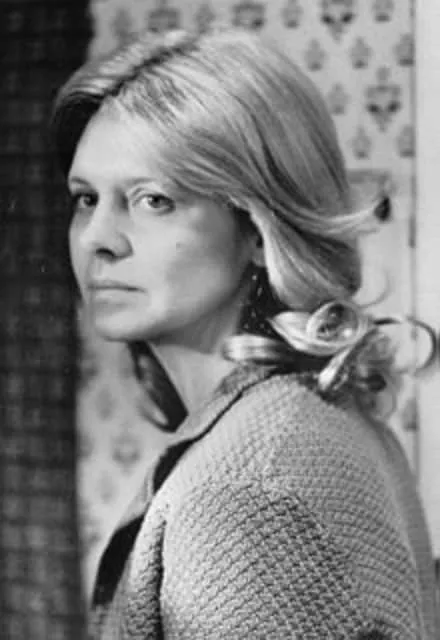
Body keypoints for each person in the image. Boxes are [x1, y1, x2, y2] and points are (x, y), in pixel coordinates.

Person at [51, 27, 439, 639]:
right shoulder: (318, 411)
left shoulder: (248, 491)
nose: (98, 237)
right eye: (85, 199)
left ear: (259, 230)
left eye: (153, 200)